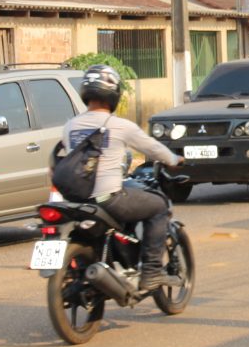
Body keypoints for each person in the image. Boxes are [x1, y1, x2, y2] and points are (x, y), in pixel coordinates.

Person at [59, 65, 184, 292]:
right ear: (114, 94)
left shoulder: (70, 126)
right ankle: (152, 272)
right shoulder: (120, 125)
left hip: (77, 200)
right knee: (158, 206)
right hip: (107, 198)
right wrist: (174, 160)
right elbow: (153, 148)